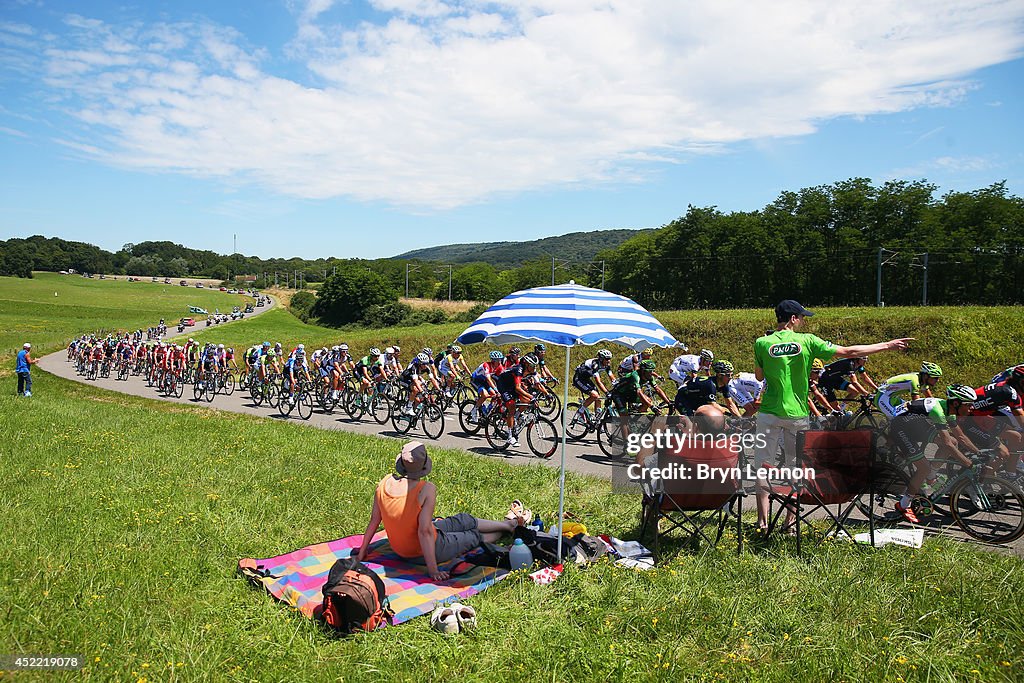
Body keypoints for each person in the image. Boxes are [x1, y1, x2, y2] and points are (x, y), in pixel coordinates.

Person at [752, 300, 913, 531]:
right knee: (794, 467)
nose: (803, 321)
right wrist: (887, 345)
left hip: (769, 412)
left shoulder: (762, 342)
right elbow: (849, 352)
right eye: (802, 317)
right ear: (793, 319)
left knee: (762, 466)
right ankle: (789, 524)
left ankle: (762, 523)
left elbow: (759, 377)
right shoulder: (807, 340)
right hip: (797, 413)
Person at [355, 441, 517, 581]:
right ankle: (510, 528)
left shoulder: (384, 484)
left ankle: (509, 525)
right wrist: (433, 570)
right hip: (420, 551)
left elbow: (374, 521)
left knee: (463, 519)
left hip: (401, 547)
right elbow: (424, 531)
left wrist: (363, 552)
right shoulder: (425, 489)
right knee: (473, 536)